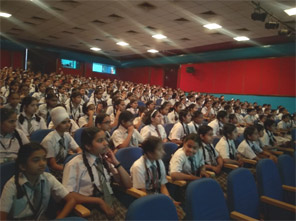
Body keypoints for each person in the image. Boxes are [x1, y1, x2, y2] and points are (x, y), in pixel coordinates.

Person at [62, 127, 132, 220]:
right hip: (91, 207)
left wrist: (116, 162)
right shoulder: (74, 165)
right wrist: (98, 201)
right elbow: (68, 195)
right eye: (100, 140)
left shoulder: (105, 159)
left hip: (112, 201)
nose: (106, 143)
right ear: (88, 146)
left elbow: (128, 184)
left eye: (105, 139)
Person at [0, 143, 76, 220]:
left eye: (44, 159)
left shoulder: (48, 178)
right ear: (23, 166)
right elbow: (2, 216)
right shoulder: (12, 185)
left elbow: (71, 200)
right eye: (36, 160)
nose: (42, 163)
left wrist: (58, 219)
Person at [41, 107, 81, 180]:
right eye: (63, 122)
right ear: (56, 124)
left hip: (63, 166)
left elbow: (79, 150)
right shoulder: (49, 140)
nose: (68, 125)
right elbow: (53, 165)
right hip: (51, 171)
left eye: (69, 122)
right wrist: (70, 168)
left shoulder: (66, 135)